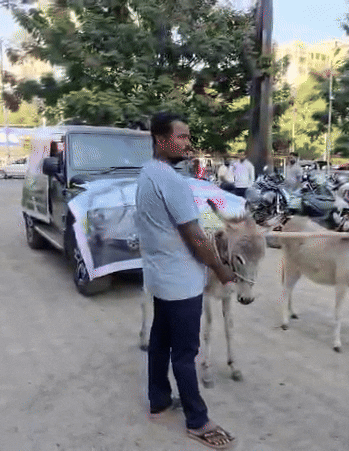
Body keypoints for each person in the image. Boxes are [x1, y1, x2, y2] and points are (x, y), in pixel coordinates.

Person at [135, 112, 237, 450]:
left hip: (162, 278)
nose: (187, 142)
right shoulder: (171, 180)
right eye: (180, 136)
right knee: (185, 351)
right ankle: (197, 419)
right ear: (160, 139)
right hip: (180, 282)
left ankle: (159, 400)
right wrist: (222, 269)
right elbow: (195, 237)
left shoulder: (150, 173)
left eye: (186, 136)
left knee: (160, 340)